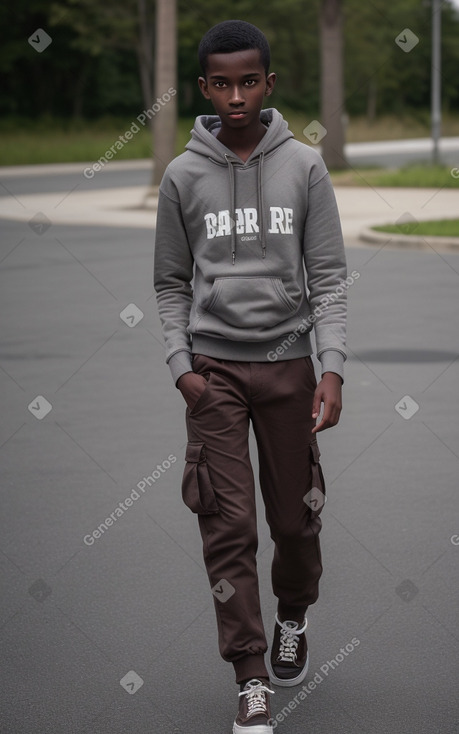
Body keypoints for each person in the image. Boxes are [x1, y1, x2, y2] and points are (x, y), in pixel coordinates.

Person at [154, 19, 347, 734]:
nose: (235, 96)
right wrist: (183, 370)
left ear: (268, 84)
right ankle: (249, 674)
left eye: (247, 82)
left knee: (294, 522)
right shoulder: (182, 176)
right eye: (220, 84)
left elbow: (326, 277)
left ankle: (292, 616)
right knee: (226, 525)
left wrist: (330, 369)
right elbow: (170, 283)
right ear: (204, 88)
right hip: (214, 372)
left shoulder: (303, 166)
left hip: (290, 368)